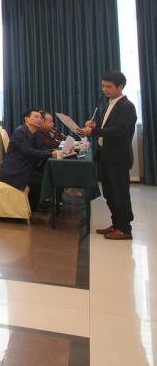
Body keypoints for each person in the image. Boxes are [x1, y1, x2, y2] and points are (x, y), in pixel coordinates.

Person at [78, 71, 138, 240]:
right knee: (110, 194)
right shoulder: (109, 104)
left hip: (118, 158)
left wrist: (93, 131)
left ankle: (125, 229)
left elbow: (119, 130)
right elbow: (107, 127)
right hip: (106, 156)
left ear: (120, 87)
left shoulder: (127, 106)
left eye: (109, 86)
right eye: (103, 86)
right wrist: (95, 125)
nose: (104, 89)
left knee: (120, 194)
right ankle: (116, 223)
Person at [0, 109, 59, 209]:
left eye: (40, 118)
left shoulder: (35, 133)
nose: (39, 119)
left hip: (25, 167)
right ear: (27, 119)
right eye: (36, 117)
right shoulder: (20, 132)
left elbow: (40, 148)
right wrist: (50, 153)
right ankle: (34, 206)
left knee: (45, 177)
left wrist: (53, 151)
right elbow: (29, 151)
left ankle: (38, 202)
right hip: (14, 170)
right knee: (40, 181)